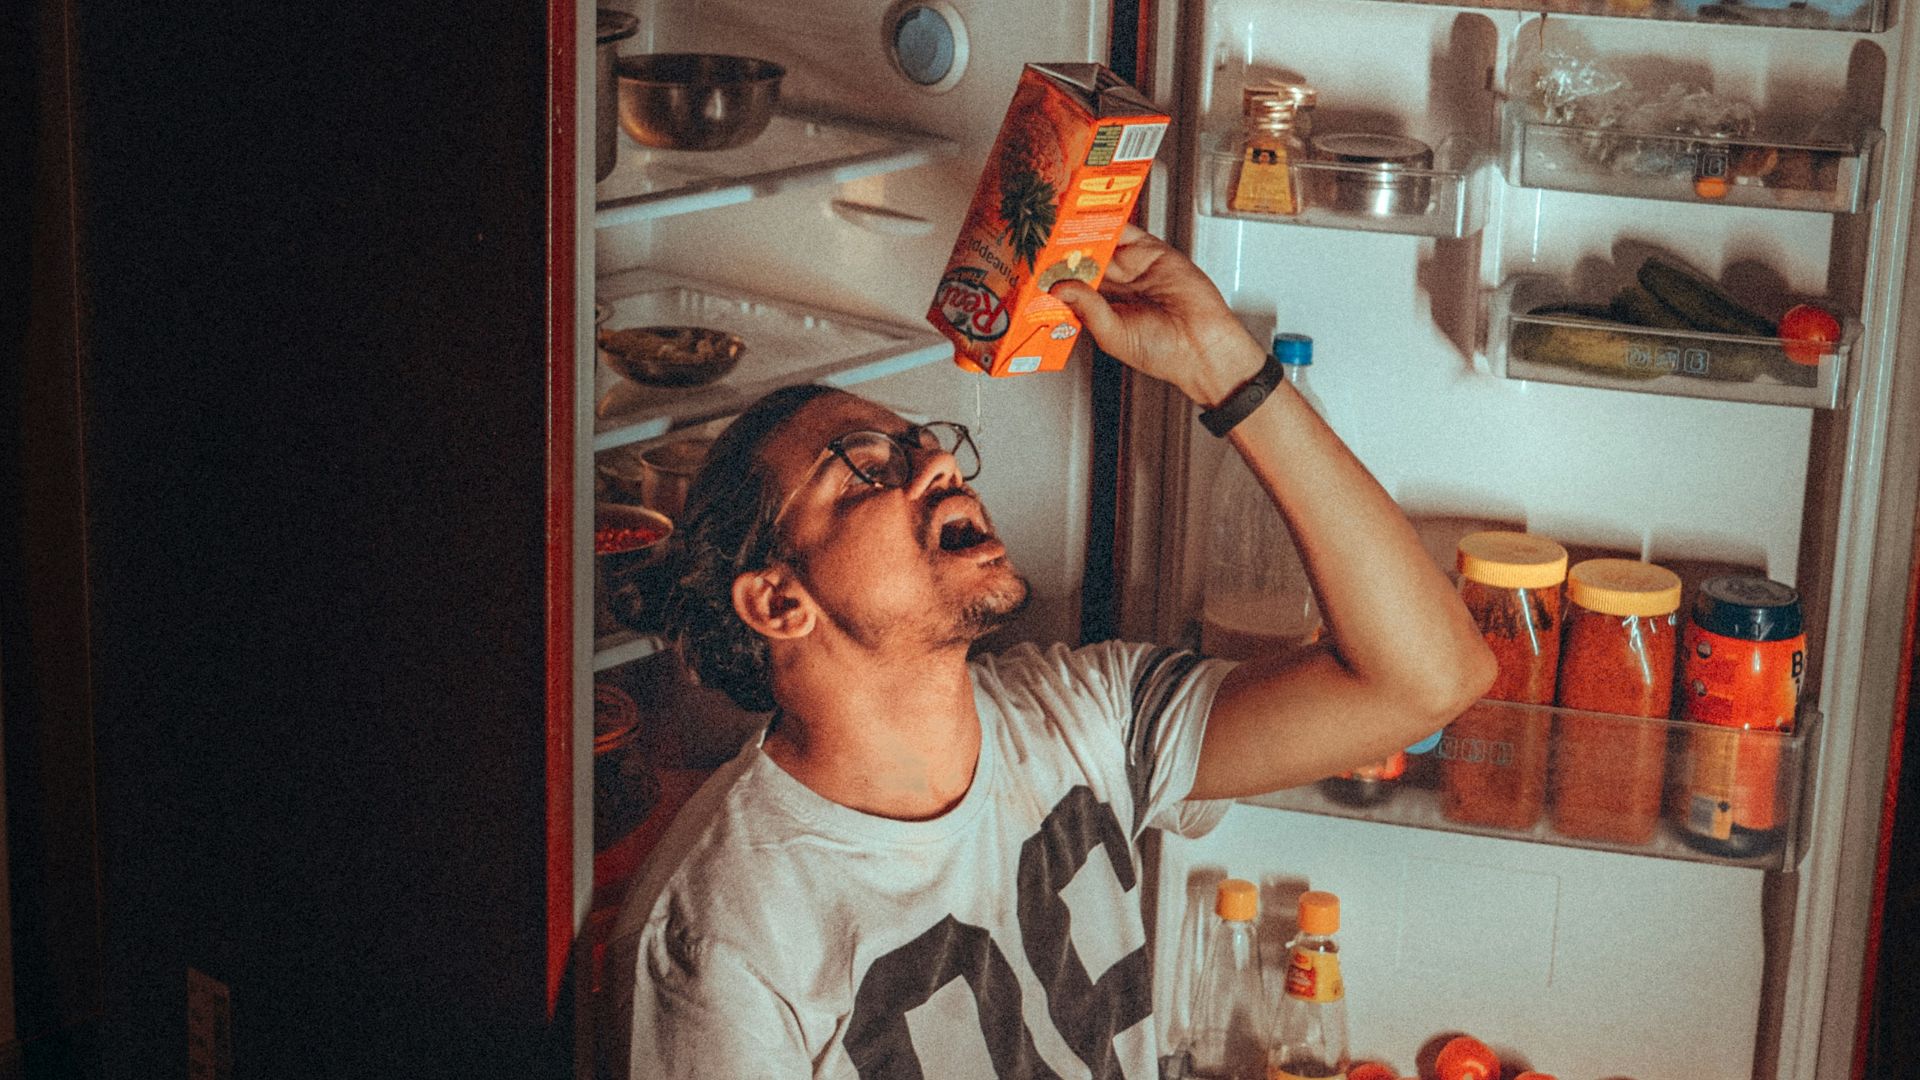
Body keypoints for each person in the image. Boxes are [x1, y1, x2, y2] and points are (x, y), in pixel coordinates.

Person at [602, 226, 1497, 1078]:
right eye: (868, 467)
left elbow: (1431, 681)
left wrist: (1226, 368)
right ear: (777, 601)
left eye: (928, 446)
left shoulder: (1088, 713)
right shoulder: (722, 930)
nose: (939, 467)